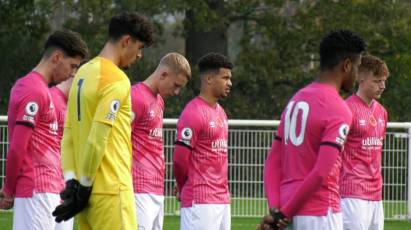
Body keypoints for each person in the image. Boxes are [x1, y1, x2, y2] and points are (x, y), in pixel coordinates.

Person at [52, 12, 154, 230]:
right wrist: (84, 186)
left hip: (86, 198)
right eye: (140, 47)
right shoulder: (117, 79)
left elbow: (68, 132)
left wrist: (73, 183)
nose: (140, 55)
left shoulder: (82, 73)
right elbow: (98, 139)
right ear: (127, 41)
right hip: (111, 191)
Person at [259, 29, 366, 230]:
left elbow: (273, 160)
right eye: (358, 68)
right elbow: (320, 173)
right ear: (346, 65)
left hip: (286, 208)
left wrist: (276, 210)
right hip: (319, 213)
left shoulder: (296, 99)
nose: (357, 76)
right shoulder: (338, 108)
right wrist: (285, 213)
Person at [0, 30, 88, 230]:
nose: (72, 74)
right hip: (39, 191)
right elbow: (17, 148)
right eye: (73, 66)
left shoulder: (38, 90)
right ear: (57, 57)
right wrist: (10, 188)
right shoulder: (33, 89)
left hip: (41, 193)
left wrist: (8, 188)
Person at [172, 52, 233, 230]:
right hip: (200, 200)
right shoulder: (193, 112)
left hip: (222, 199)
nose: (230, 83)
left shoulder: (221, 112)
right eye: (225, 78)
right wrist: (184, 187)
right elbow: (179, 159)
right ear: (208, 79)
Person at [131, 52, 191, 230]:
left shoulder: (159, 101)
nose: (177, 92)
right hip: (137, 190)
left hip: (156, 190)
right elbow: (118, 141)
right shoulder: (135, 97)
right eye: (176, 85)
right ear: (164, 74)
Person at [340, 55, 389, 230]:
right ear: (361, 79)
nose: (382, 86)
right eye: (377, 81)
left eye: (383, 81)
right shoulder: (346, 109)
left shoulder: (382, 112)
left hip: (376, 194)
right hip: (351, 194)